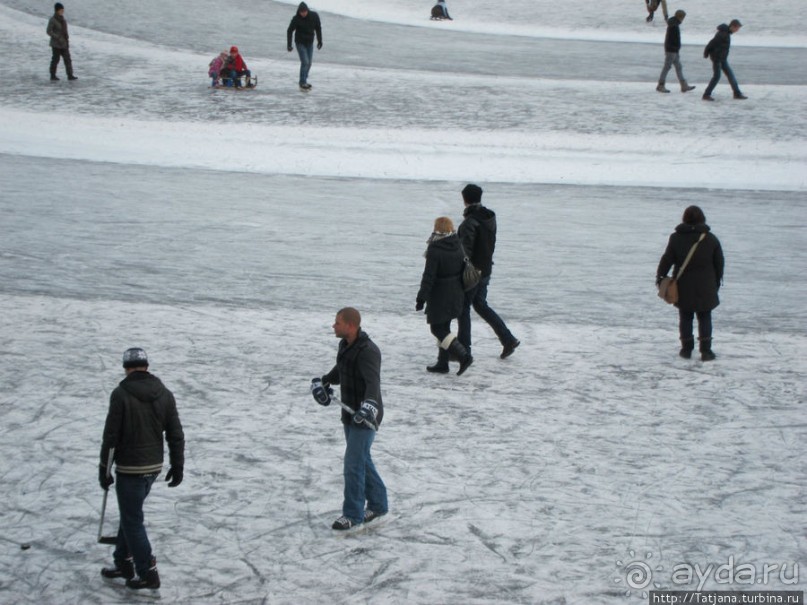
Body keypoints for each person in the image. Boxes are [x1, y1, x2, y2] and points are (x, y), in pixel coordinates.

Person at [99, 348, 185, 591]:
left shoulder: (120, 394)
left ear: (126, 367)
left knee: (132, 519)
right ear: (146, 366)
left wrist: (104, 468)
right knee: (131, 514)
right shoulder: (165, 393)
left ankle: (147, 572)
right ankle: (123, 563)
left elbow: (111, 436)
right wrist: (177, 465)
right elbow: (176, 433)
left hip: (130, 468)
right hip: (153, 467)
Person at [318, 308, 388, 530]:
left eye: (337, 322)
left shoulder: (368, 351)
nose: (333, 326)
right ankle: (378, 505)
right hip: (349, 413)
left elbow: (373, 384)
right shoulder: (346, 345)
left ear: (350, 325)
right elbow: (342, 368)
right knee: (362, 459)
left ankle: (353, 514)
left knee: (353, 464)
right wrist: (325, 381)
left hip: (366, 417)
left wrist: (369, 406)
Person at [456, 184, 520, 364]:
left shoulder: (470, 222)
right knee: (480, 304)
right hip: (486, 269)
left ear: (464, 199)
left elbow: (465, 251)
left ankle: (464, 350)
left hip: (472, 271)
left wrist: (457, 271)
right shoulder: (490, 218)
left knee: (464, 308)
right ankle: (508, 339)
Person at [656, 206, 725, 361]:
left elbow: (667, 259)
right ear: (702, 218)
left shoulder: (676, 238)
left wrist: (660, 277)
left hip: (683, 285)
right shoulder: (711, 239)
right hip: (706, 286)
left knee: (685, 316)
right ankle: (706, 351)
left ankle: (686, 349)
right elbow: (719, 263)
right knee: (705, 316)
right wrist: (717, 282)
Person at [417, 217, 473, 376]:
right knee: (445, 327)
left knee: (437, 328)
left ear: (436, 228)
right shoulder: (457, 244)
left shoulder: (435, 248)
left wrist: (421, 298)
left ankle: (463, 356)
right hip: (456, 292)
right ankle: (443, 363)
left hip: (440, 294)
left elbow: (429, 276)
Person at [702, 19, 747, 101]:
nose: (737, 30)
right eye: (737, 28)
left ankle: (737, 94)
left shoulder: (727, 33)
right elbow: (711, 43)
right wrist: (706, 52)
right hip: (717, 59)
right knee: (717, 77)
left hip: (722, 59)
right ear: (733, 26)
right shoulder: (723, 34)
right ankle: (706, 94)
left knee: (730, 75)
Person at [656, 10, 696, 93]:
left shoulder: (674, 24)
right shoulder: (674, 26)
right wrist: (674, 49)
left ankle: (684, 85)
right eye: (683, 18)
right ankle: (660, 85)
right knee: (667, 67)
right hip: (671, 50)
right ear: (680, 17)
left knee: (678, 67)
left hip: (674, 50)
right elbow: (672, 39)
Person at [287, 2, 323, 91]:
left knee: (309, 63)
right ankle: (302, 82)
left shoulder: (314, 16)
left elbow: (318, 28)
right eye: (301, 12)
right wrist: (289, 45)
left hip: (310, 42)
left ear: (307, 10)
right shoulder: (296, 19)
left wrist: (320, 41)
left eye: (304, 11)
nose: (303, 13)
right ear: (299, 11)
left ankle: (304, 80)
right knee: (305, 62)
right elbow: (289, 30)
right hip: (300, 43)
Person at [46, 2, 76, 81]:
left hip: (64, 43)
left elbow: (65, 32)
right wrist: (57, 37)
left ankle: (70, 75)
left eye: (63, 10)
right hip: (56, 44)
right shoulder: (52, 20)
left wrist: (66, 40)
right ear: (57, 10)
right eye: (61, 10)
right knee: (55, 59)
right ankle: (52, 75)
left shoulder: (63, 20)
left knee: (67, 59)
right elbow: (49, 31)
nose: (62, 11)